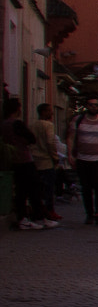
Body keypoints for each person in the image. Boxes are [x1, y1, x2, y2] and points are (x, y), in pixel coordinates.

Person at [67, 97, 98, 226]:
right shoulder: (78, 120)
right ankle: (89, 214)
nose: (93, 107)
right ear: (86, 106)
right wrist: (70, 155)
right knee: (86, 187)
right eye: (90, 105)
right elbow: (71, 138)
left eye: (95, 105)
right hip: (83, 158)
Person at [5, 98, 53, 229]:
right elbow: (31, 138)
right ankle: (36, 216)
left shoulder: (3, 124)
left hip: (12, 159)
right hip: (25, 159)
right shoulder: (17, 123)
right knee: (33, 188)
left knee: (21, 190)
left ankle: (27, 217)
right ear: (17, 109)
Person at [29, 101, 61, 227]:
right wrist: (55, 156)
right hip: (46, 161)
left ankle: (38, 210)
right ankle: (48, 211)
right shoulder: (48, 125)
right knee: (48, 188)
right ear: (43, 112)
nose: (51, 113)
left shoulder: (32, 125)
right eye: (49, 110)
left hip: (35, 160)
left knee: (37, 189)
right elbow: (50, 142)